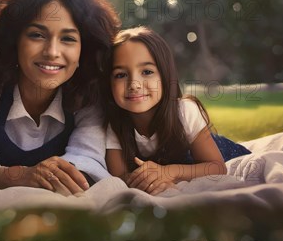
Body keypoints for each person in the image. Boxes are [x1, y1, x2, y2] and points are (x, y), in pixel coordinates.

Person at [0, 0, 120, 195]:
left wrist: (48, 176)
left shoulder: (91, 90)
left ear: (84, 49)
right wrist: (24, 175)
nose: (52, 52)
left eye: (68, 39)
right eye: (37, 35)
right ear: (15, 38)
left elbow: (88, 161)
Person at [104, 27, 251, 195]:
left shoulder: (185, 111)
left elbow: (217, 167)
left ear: (165, 77)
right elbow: (120, 176)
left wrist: (168, 172)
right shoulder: (114, 124)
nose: (134, 84)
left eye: (147, 72)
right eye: (121, 75)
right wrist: (147, 181)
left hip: (220, 153)